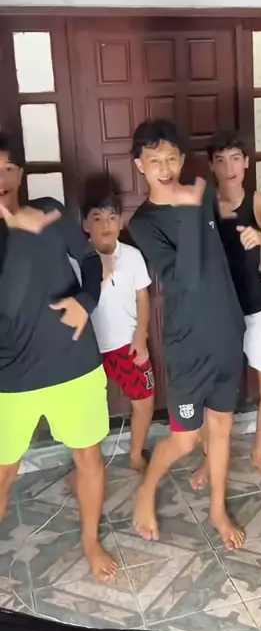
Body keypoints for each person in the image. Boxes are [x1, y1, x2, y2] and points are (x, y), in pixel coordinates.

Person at [0, 136, 117, 581]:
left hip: (73, 362)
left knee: (88, 458)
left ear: (20, 174)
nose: (1, 179)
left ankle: (90, 541)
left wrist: (86, 302)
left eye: (8, 169)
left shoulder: (49, 211)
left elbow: (90, 260)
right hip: (11, 375)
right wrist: (14, 230)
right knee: (3, 473)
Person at [128, 119, 246, 550]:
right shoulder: (144, 223)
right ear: (140, 165)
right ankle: (146, 490)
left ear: (181, 159)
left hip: (226, 332)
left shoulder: (204, 194)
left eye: (171, 158)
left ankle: (217, 510)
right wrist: (192, 209)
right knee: (184, 439)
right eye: (154, 160)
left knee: (222, 427)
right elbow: (185, 280)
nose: (165, 168)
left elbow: (219, 257)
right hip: (188, 344)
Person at [188, 131, 261, 486]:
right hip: (216, 313)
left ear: (246, 163)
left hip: (255, 308)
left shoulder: (260, 201)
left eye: (235, 159)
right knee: (208, 390)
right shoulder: (202, 202)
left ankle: (258, 452)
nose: (229, 167)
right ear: (212, 166)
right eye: (221, 160)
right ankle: (208, 459)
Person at [82, 192, 155, 473]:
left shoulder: (133, 256)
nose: (106, 225)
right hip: (90, 349)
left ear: (121, 222)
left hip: (128, 344)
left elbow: (143, 298)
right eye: (97, 218)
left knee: (145, 401)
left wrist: (141, 337)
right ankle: (89, 466)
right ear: (86, 224)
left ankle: (135, 454)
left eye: (112, 218)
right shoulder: (77, 259)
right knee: (86, 412)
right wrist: (101, 274)